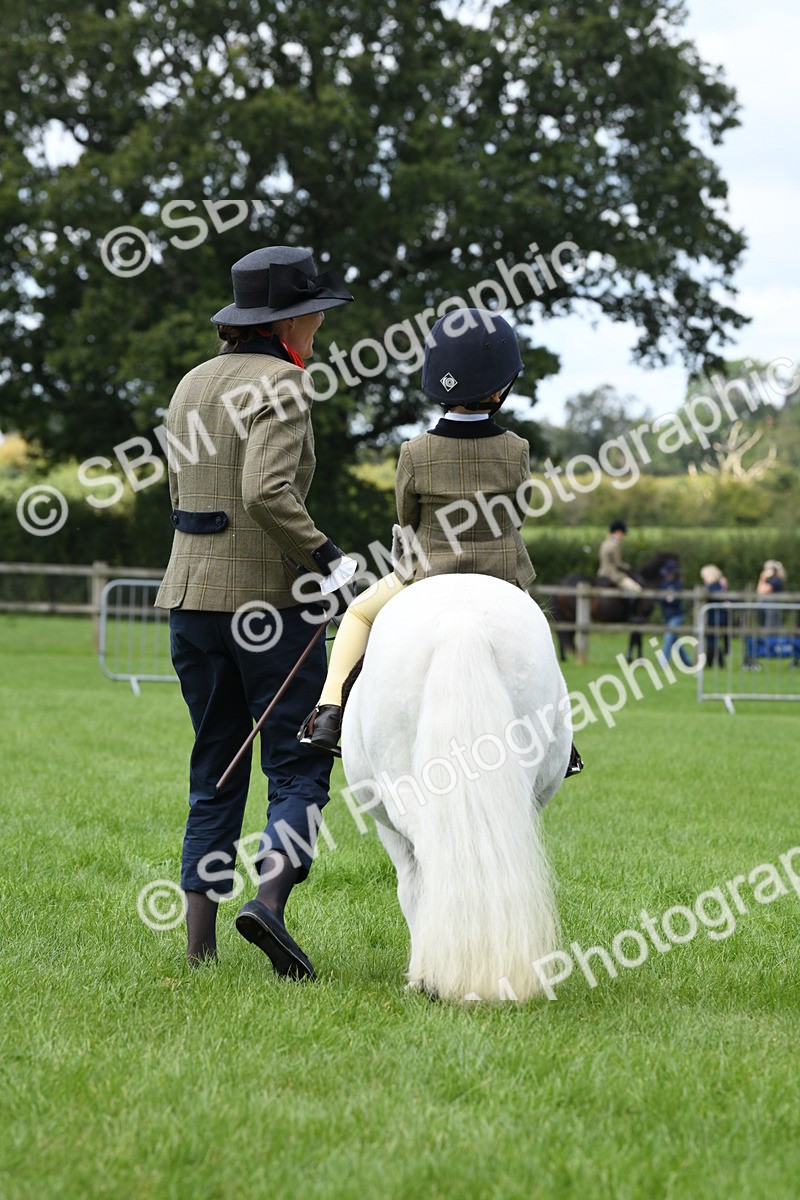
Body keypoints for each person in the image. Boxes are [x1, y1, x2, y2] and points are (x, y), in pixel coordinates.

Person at [154, 245, 354, 976]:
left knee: (215, 764)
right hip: (267, 607)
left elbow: (185, 499)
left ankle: (199, 951)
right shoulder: (286, 386)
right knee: (298, 766)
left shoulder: (190, 385)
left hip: (188, 599)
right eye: (318, 317)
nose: (320, 330)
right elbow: (266, 493)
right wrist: (330, 560)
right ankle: (267, 906)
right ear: (293, 320)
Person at [297, 307, 584, 779]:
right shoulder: (516, 449)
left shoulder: (415, 452)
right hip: (501, 576)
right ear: (498, 389)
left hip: (424, 573)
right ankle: (563, 740)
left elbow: (405, 515)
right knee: (534, 628)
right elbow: (519, 512)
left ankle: (328, 712)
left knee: (358, 614)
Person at [597, 520, 642, 620]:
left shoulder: (605, 543)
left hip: (602, 573)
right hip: (613, 575)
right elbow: (618, 563)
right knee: (637, 589)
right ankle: (631, 615)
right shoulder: (615, 544)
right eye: (622, 533)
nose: (622, 536)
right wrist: (628, 567)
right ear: (618, 532)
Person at [657, 558, 693, 668]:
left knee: (668, 637)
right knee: (675, 641)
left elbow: (676, 600)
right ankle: (688, 662)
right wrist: (665, 598)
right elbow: (660, 599)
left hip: (676, 616)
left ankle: (663, 664)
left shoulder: (678, 585)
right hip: (667, 616)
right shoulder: (663, 584)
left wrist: (671, 598)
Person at [700, 564, 730, 668]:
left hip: (715, 617)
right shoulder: (720, 586)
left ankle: (714, 662)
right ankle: (713, 662)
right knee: (712, 640)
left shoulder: (712, 587)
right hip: (718, 616)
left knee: (712, 641)